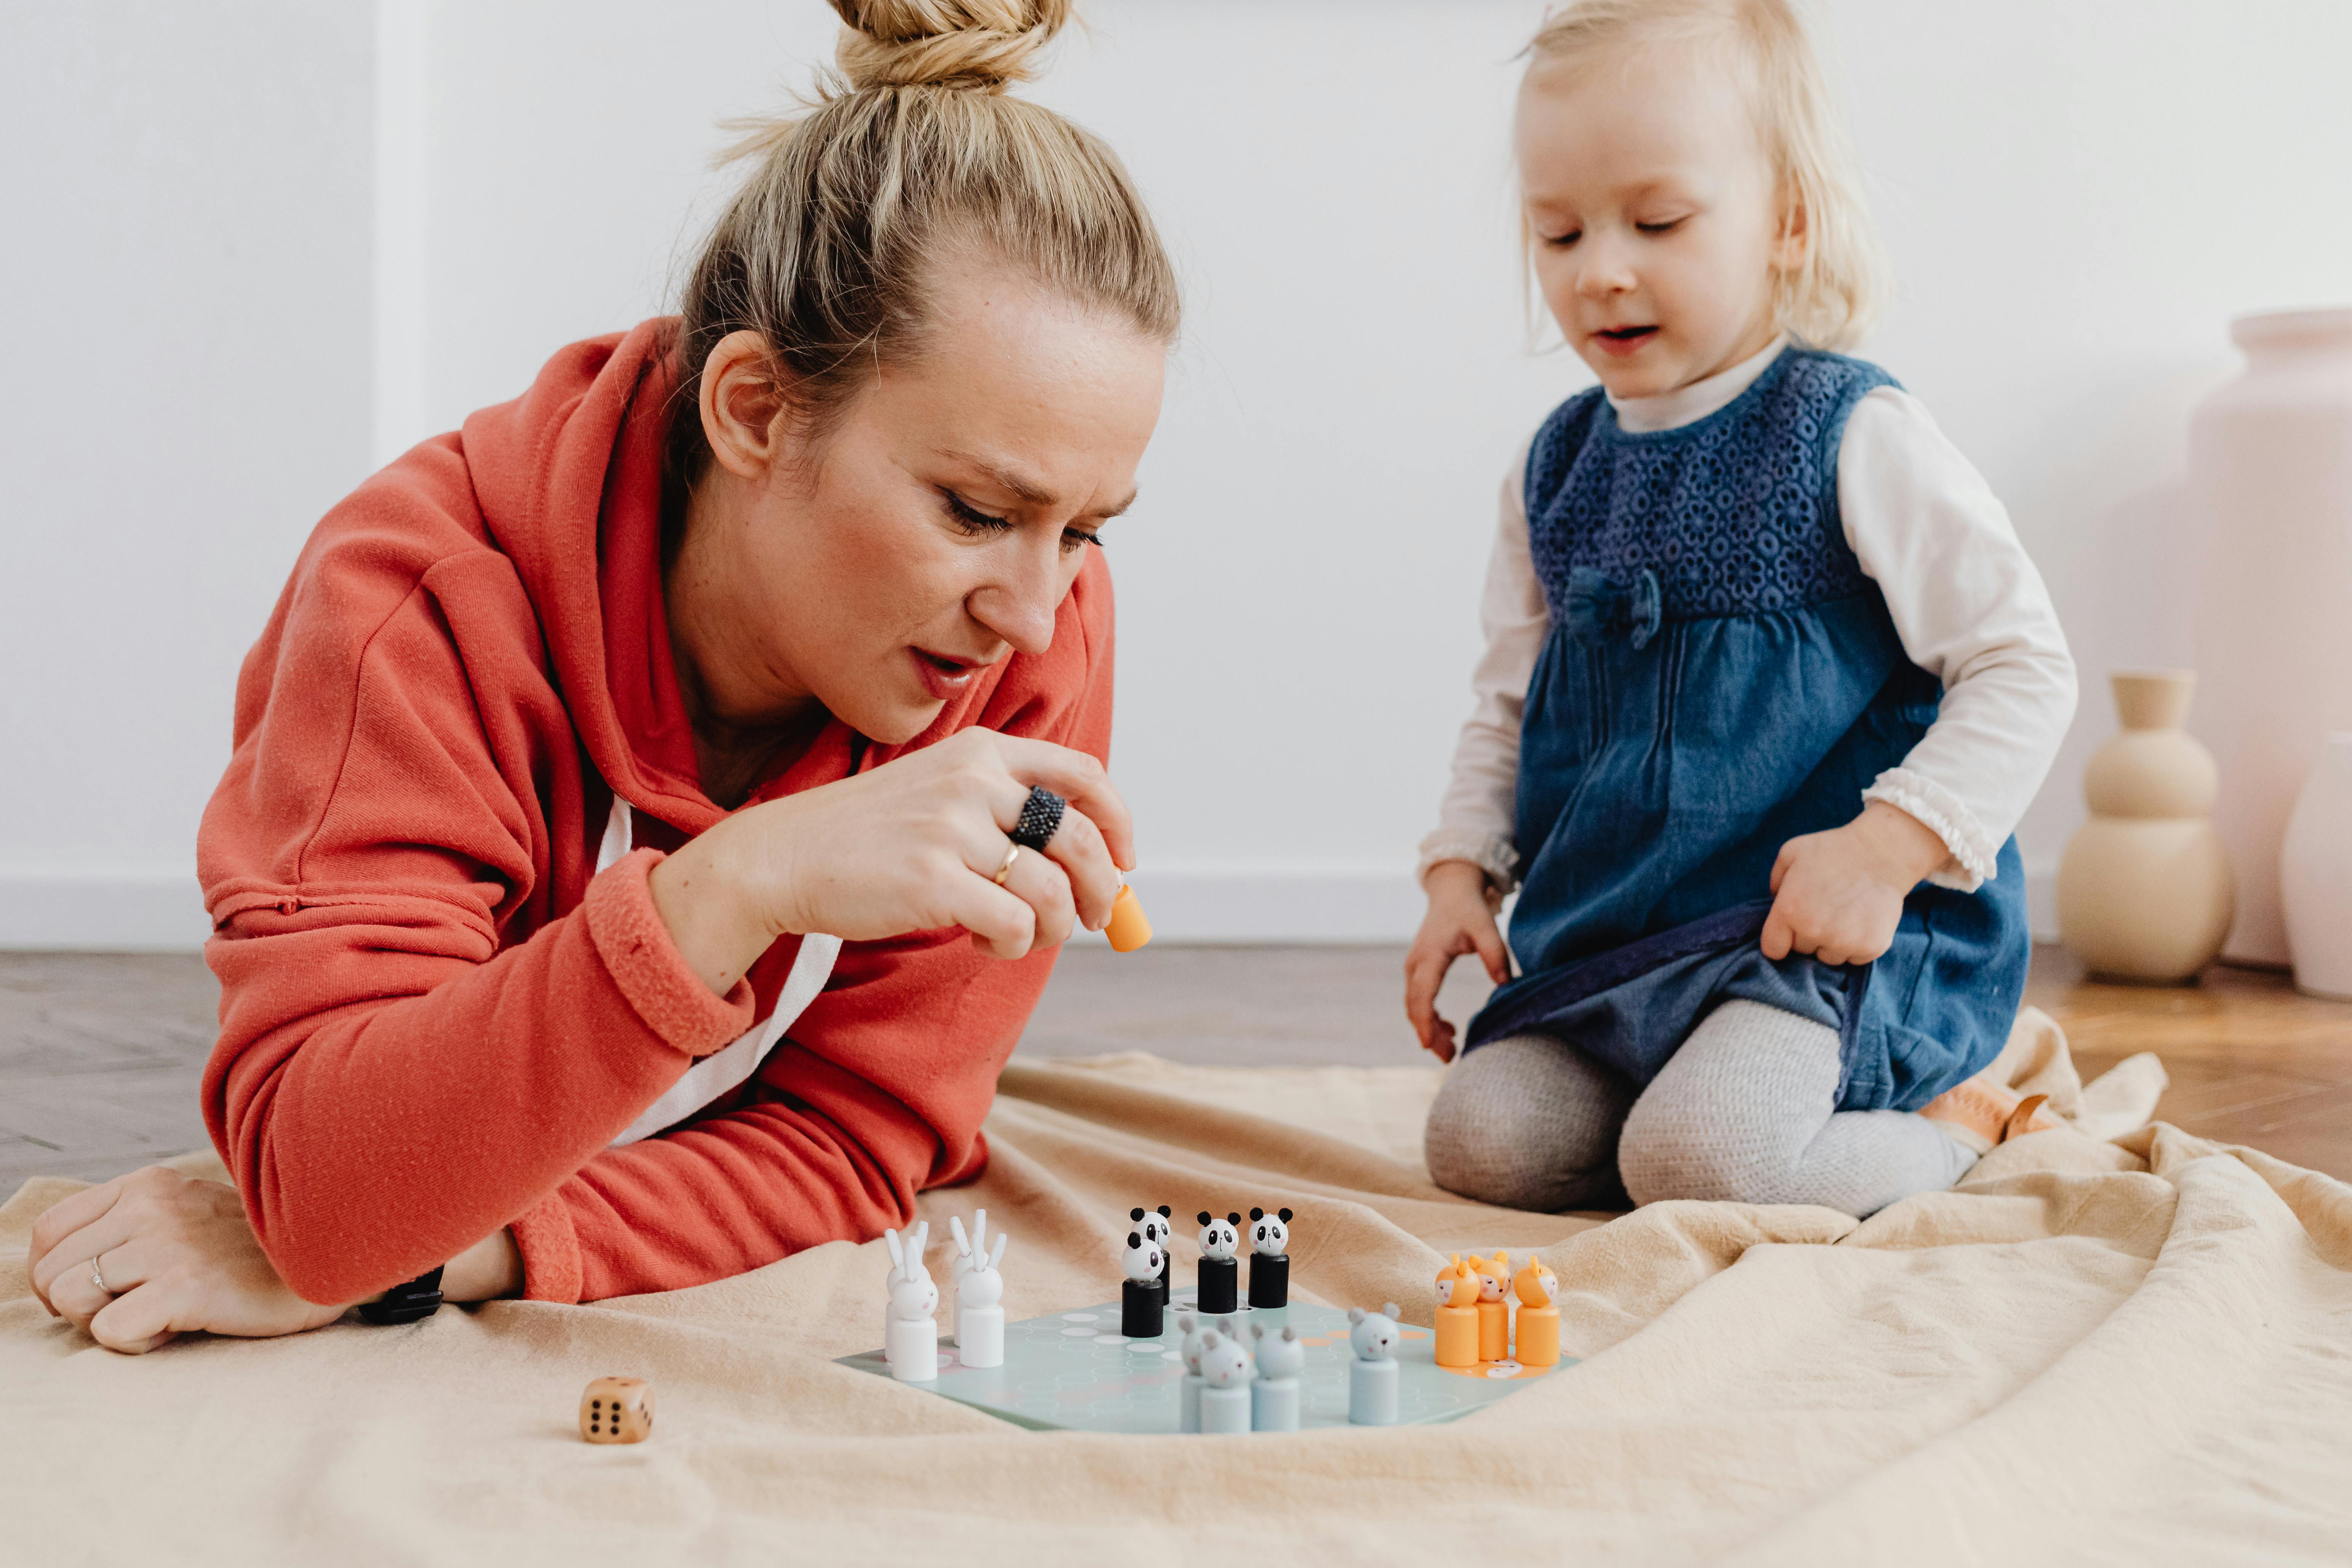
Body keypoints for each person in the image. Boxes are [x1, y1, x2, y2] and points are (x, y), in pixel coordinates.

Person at [27, 0, 1179, 1354]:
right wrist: (741, 883)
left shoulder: (1020, 633)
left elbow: (857, 1144)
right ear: (754, 409)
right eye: (977, 511)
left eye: (1086, 528)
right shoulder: (413, 607)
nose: (1039, 617)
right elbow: (328, 1201)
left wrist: (463, 1248)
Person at [1407, 0, 2075, 1217]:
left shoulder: (1851, 433)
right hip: (1617, 952)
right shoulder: (1556, 469)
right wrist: (1460, 876)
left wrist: (1887, 853)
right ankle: (1686, 1100)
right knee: (1482, 1145)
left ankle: (1959, 1127)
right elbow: (1504, 702)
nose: (1600, 267)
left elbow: (2026, 665)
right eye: (1557, 233)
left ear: (1789, 224)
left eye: (1657, 221)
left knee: (1705, 1165)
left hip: (1812, 952)